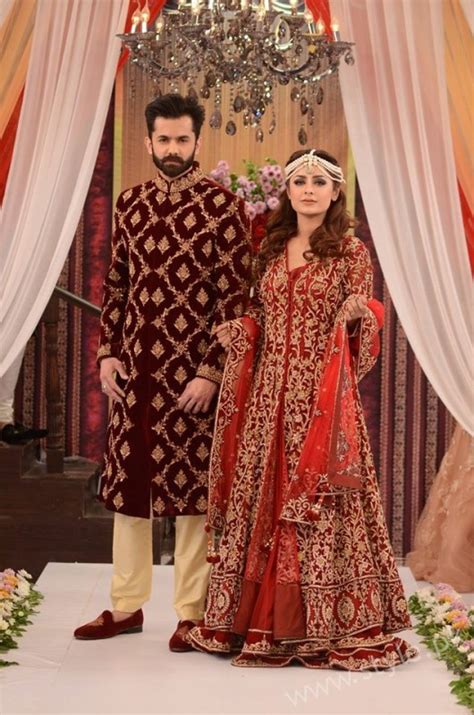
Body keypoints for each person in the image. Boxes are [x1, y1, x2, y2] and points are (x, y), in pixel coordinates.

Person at [189, 149, 418, 669]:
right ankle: (248, 622)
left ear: (335, 192)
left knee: (320, 500)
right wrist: (242, 328)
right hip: (268, 397)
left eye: (319, 181)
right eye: (299, 181)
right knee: (262, 496)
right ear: (287, 191)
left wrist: (363, 313)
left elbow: (366, 309)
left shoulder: (350, 251)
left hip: (320, 398)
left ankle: (323, 622)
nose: (309, 189)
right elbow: (259, 312)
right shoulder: (271, 248)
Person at [73, 94, 252, 648]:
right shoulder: (131, 204)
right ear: (148, 141)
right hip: (136, 373)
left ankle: (191, 613)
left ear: (197, 141)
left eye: (182, 139)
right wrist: (108, 352)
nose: (173, 149)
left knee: (194, 494)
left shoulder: (224, 207)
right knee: (130, 491)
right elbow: (117, 285)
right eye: (164, 139)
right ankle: (126, 606)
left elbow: (235, 298)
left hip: (193, 377)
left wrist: (211, 372)